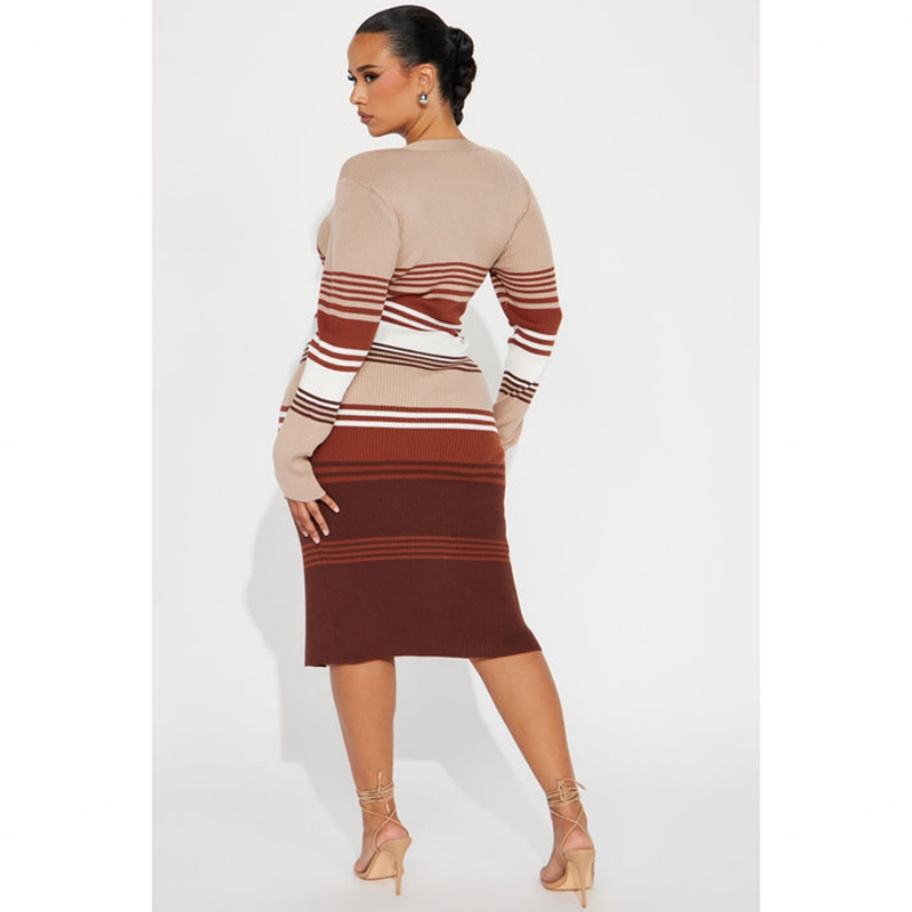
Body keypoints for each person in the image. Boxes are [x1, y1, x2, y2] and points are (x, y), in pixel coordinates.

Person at [272, 6, 596, 905]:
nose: (355, 96)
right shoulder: (504, 179)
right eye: (350, 78)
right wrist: (504, 417)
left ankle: (383, 830)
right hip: (458, 440)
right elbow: (540, 316)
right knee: (496, 627)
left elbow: (346, 324)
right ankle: (571, 825)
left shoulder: (369, 176)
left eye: (368, 75)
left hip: (360, 436)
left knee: (359, 626)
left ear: (424, 79)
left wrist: (294, 444)